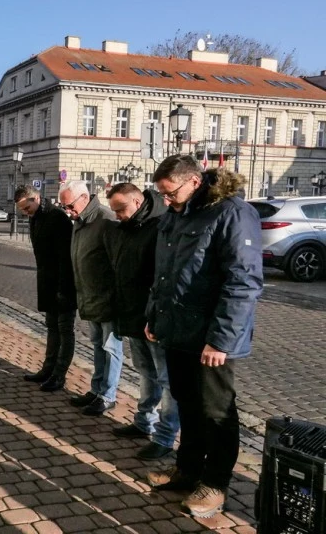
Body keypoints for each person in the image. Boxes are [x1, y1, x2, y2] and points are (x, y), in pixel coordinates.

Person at [144, 155, 263, 519]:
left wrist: (221, 340)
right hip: (177, 330)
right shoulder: (177, 214)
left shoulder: (232, 213)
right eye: (162, 194)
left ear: (193, 181)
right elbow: (164, 272)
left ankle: (215, 484)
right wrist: (154, 316)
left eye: (171, 193)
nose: (166, 200)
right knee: (186, 403)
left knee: (216, 412)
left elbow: (243, 282)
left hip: (211, 338)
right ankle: (188, 469)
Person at [103, 182, 179, 461]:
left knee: (167, 379)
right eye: (113, 210)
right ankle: (143, 421)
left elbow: (162, 276)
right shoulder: (128, 226)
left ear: (137, 201)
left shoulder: (159, 226)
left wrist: (154, 314)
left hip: (154, 318)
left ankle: (165, 436)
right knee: (145, 373)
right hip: (132, 313)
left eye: (120, 209)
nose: (117, 215)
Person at [58, 180, 123, 416]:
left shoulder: (106, 220)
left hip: (107, 299)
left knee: (111, 348)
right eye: (64, 206)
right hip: (89, 296)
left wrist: (114, 296)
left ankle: (108, 395)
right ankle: (96, 390)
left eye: (70, 206)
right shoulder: (80, 220)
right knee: (97, 346)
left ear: (84, 198)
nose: (67, 211)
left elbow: (118, 263)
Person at [15, 185, 77, 392]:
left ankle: (59, 375)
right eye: (22, 210)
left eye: (27, 208)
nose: (25, 213)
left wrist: (63, 288)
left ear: (36, 198)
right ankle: (47, 369)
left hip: (63, 283)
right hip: (47, 281)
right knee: (51, 326)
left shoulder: (57, 217)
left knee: (65, 329)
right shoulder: (36, 217)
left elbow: (65, 258)